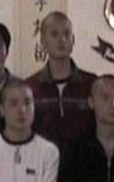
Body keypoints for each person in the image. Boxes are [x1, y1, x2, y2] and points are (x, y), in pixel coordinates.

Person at [26, 11, 97, 152]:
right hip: (43, 164)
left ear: (73, 40)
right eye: (54, 34)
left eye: (66, 34)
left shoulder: (92, 84)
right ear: (43, 41)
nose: (62, 40)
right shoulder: (30, 87)